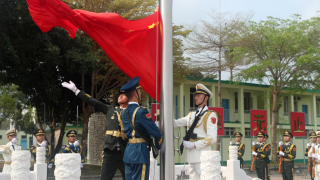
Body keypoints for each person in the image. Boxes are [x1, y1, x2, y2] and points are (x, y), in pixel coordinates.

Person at [62, 81, 128, 180]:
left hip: (126, 151)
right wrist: (76, 90)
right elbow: (93, 101)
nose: (120, 96)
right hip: (110, 151)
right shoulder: (111, 109)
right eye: (120, 94)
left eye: (124, 94)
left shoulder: (134, 112)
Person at [120, 76, 162, 180]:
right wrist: (158, 146)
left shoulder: (123, 113)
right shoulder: (141, 111)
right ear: (135, 93)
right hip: (140, 154)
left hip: (128, 153)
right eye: (139, 91)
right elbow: (156, 133)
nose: (141, 93)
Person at [175, 83, 218, 180]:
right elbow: (176, 123)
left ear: (206, 98)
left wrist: (194, 145)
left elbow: (212, 138)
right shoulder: (191, 115)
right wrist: (160, 121)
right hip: (191, 155)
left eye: (199, 95)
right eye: (195, 95)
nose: (195, 97)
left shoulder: (210, 115)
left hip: (202, 155)